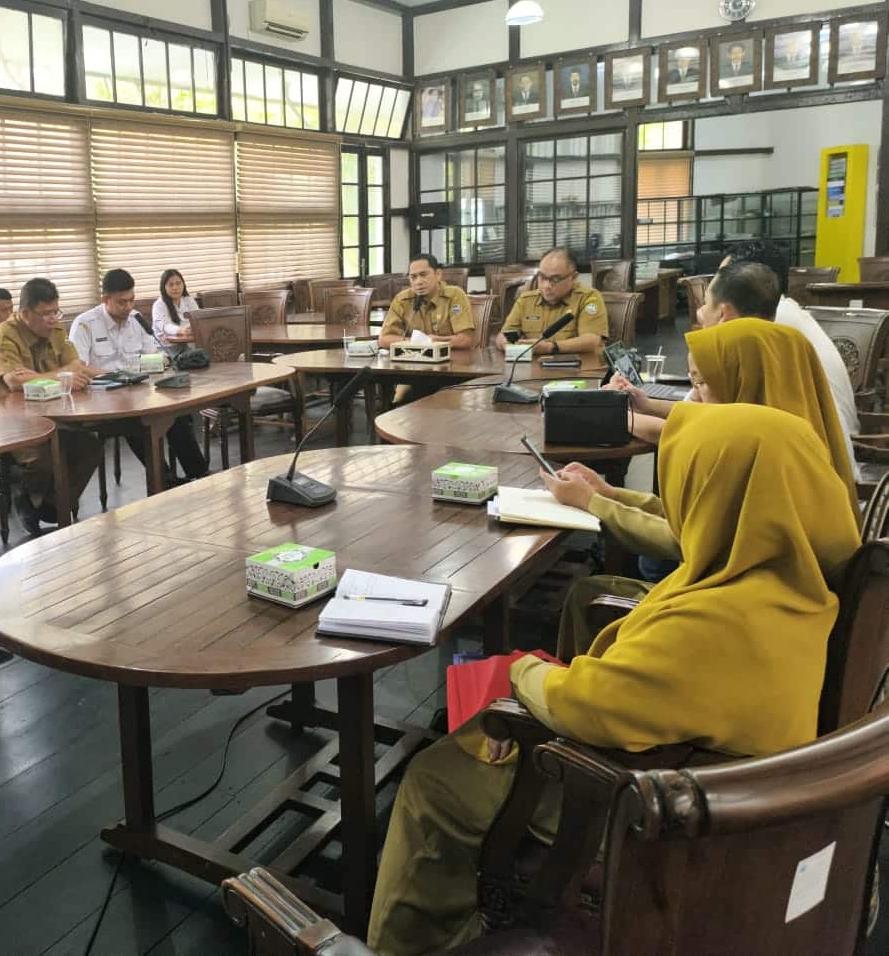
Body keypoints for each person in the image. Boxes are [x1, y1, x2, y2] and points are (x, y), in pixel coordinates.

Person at [367, 403, 860, 955]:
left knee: (434, 778)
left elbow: (584, 705)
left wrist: (520, 670)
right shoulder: (793, 577)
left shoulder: (719, 621)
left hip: (649, 810)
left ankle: (415, 942)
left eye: (688, 489)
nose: (681, 505)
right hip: (711, 781)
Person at [551, 312, 857, 658]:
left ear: (745, 381)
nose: (692, 401)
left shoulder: (760, 450)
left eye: (701, 385)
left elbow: (688, 538)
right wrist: (609, 494)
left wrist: (595, 503)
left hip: (734, 628)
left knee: (591, 593)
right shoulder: (794, 431)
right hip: (768, 617)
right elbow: (698, 518)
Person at [608, 246, 859, 454]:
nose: (700, 311)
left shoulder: (747, 340)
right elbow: (704, 413)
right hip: (827, 460)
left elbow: (704, 430)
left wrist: (612, 416)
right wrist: (647, 404)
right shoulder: (781, 326)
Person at [0, 277, 101, 536]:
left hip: (51, 409)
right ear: (24, 313)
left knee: (90, 445)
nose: (52, 319)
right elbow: (14, 381)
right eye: (45, 314)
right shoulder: (2, 336)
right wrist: (62, 374)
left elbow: (76, 366)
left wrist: (110, 374)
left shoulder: (56, 330)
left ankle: (49, 506)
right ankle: (28, 497)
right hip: (8, 418)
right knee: (44, 454)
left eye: (55, 311)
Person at [69, 269, 209, 482]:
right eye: (121, 302)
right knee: (140, 420)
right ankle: (166, 480)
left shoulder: (136, 320)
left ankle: (199, 473)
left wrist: (159, 360)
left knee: (174, 411)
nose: (128, 307)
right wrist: (118, 374)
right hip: (102, 399)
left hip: (138, 390)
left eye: (131, 300)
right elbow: (78, 367)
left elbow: (153, 353)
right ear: (105, 299)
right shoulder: (85, 323)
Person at [495, 246, 607, 355]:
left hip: (579, 370)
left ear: (573, 277)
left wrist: (551, 347)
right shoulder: (526, 300)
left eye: (555, 279)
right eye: (542, 277)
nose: (546, 285)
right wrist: (504, 343)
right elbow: (506, 333)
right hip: (535, 369)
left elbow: (592, 340)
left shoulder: (588, 298)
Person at [378, 253, 474, 351]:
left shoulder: (454, 295)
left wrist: (437, 342)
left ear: (438, 274)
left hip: (452, 359)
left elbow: (466, 340)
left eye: (423, 275)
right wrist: (420, 342)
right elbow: (384, 339)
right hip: (414, 360)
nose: (418, 282)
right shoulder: (402, 300)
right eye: (413, 277)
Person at [152, 269, 199, 349]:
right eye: (171, 284)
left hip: (191, 346)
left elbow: (198, 320)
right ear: (164, 287)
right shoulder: (159, 305)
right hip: (168, 350)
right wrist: (182, 331)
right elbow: (165, 326)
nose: (175, 287)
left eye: (178, 283)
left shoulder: (189, 300)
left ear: (183, 284)